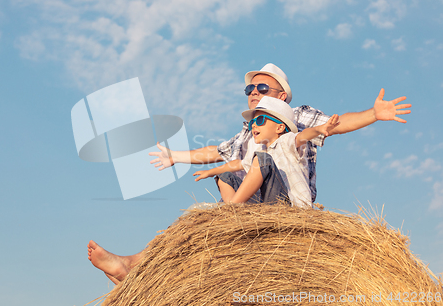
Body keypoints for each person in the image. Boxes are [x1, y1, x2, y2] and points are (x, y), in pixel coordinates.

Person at [87, 63, 411, 284]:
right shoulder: (250, 130)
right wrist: (176, 157)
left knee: (261, 164)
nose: (253, 92)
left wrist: (373, 114)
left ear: (282, 96)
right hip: (256, 203)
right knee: (215, 191)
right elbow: (215, 152)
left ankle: (228, 215)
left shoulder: (293, 117)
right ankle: (136, 263)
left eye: (261, 87)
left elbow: (334, 126)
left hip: (287, 204)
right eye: (249, 90)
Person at [192, 96, 340, 208]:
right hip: (267, 204)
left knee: (262, 160)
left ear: (279, 128)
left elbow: (302, 136)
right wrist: (211, 171)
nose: (254, 125)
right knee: (225, 177)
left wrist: (319, 129)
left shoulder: (286, 140)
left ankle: (231, 211)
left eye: (261, 120)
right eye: (252, 123)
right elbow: (238, 164)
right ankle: (235, 212)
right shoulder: (259, 150)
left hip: (289, 205)